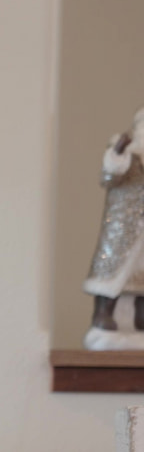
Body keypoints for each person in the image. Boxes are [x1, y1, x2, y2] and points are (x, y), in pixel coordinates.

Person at [83, 106, 144, 350]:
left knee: (140, 277)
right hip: (123, 229)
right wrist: (118, 150)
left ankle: (140, 320)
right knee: (112, 273)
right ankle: (103, 315)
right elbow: (109, 176)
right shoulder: (127, 156)